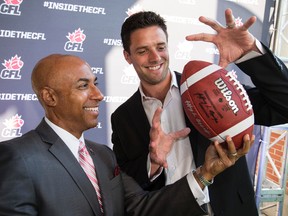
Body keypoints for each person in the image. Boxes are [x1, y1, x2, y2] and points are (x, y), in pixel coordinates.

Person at [0, 54, 250, 216]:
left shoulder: (103, 156)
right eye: (83, 85)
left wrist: (206, 173)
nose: (98, 95)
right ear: (49, 97)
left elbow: (144, 207)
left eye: (95, 83)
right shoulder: (17, 157)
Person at [111, 9, 288, 216]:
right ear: (127, 56)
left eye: (160, 47)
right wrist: (153, 163)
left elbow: (283, 106)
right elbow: (126, 183)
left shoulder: (208, 87)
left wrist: (250, 53)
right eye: (142, 51)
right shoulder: (123, 117)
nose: (155, 57)